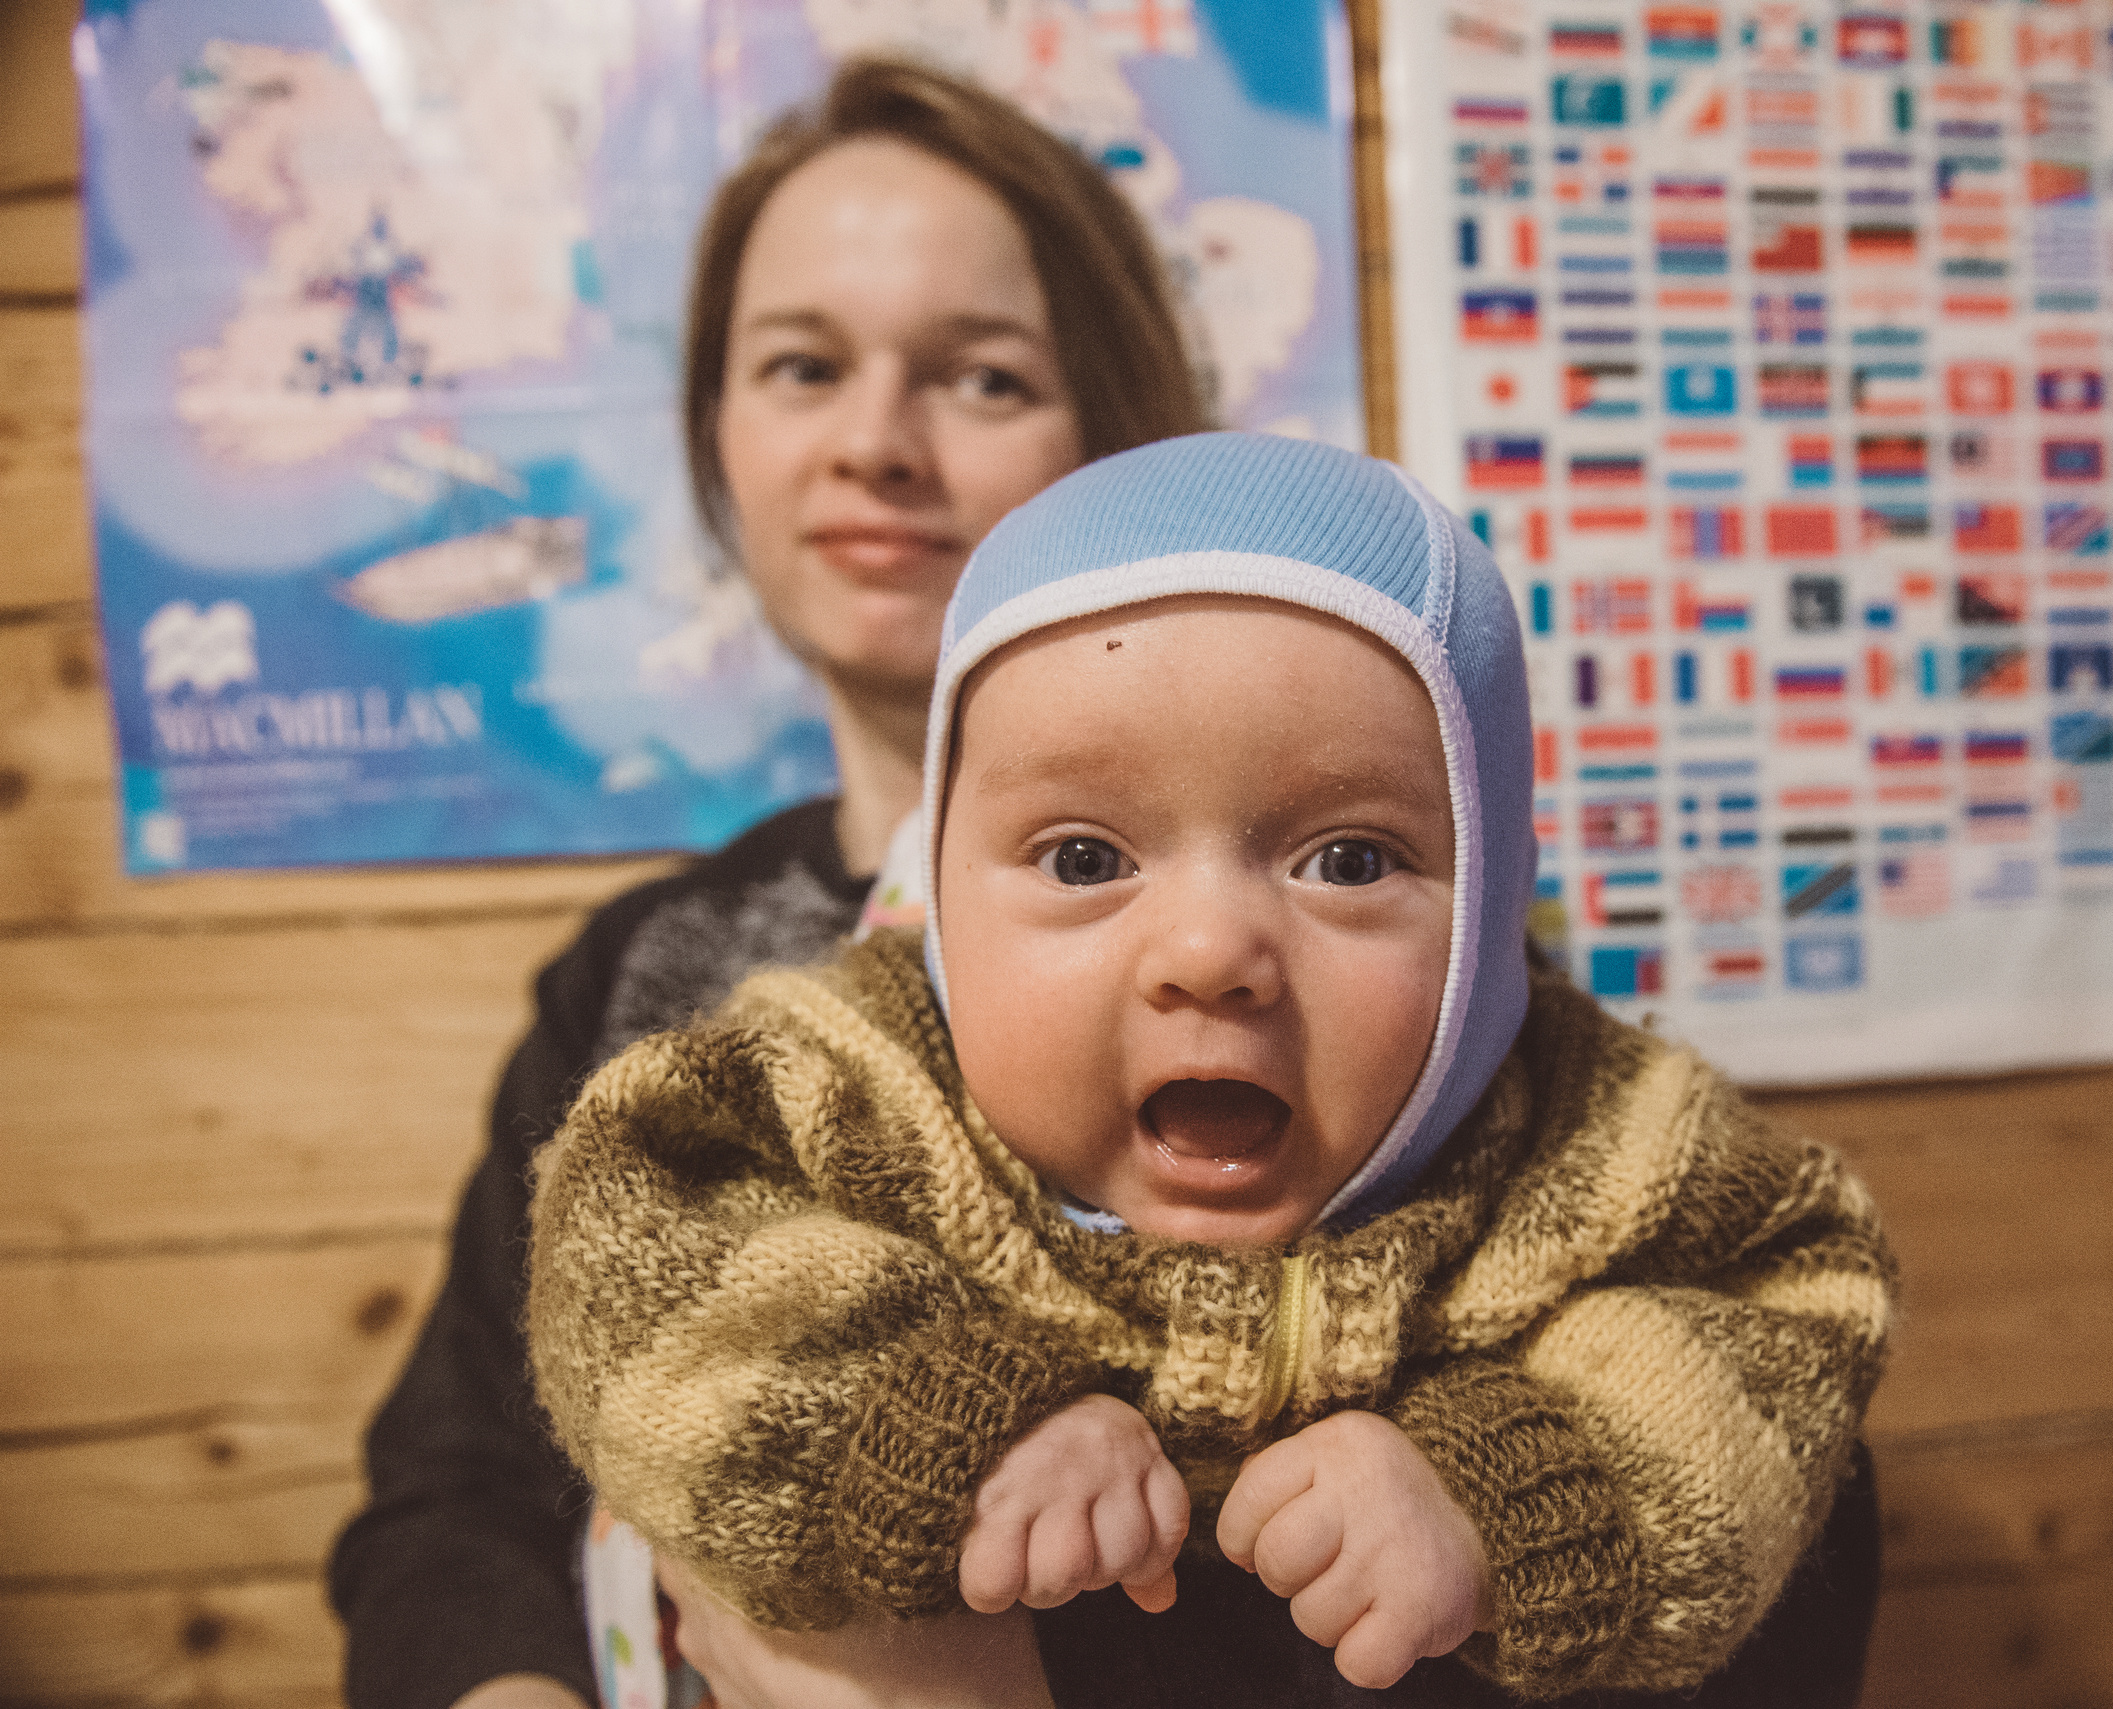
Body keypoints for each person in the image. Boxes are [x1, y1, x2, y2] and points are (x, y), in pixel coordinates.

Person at [527, 433, 1896, 1707]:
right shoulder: (849, 1086)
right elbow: (640, 1244)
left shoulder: (1586, 1134)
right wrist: (941, 1422)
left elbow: (1783, 1296)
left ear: (1488, 905)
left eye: (1348, 860)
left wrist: (1501, 1481)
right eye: (1082, 858)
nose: (1208, 952)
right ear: (939, 895)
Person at [327, 56, 1206, 1709]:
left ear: (1118, 426)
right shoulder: (644, 965)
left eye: (986, 378)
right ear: (722, 435)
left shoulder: (1326, 936)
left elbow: (1711, 1490)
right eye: (802, 366)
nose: (875, 443)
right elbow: (456, 1494)